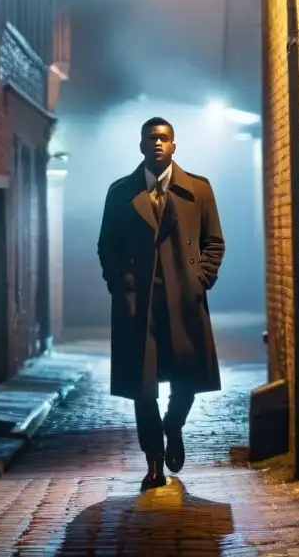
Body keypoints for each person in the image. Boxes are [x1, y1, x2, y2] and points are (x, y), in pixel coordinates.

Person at [97, 116, 225, 491]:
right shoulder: (120, 193)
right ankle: (154, 461)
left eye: (164, 138)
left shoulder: (198, 191)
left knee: (186, 378)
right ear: (141, 145)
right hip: (140, 305)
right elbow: (107, 246)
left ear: (174, 146)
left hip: (183, 300)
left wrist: (201, 280)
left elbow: (214, 241)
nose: (157, 143)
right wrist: (120, 286)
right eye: (151, 137)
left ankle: (174, 425)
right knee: (143, 387)